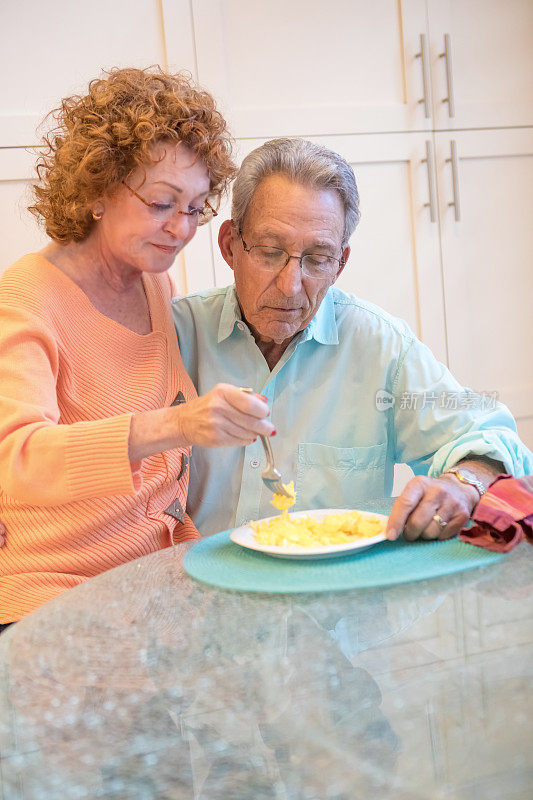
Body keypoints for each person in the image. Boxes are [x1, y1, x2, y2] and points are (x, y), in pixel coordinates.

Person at [0, 68, 273, 626]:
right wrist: (177, 425)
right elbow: (18, 458)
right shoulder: (27, 298)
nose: (181, 228)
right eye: (160, 203)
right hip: (56, 587)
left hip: (155, 574)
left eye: (195, 208)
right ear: (98, 189)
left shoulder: (153, 282)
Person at [172, 137, 533, 539]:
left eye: (317, 259)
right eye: (270, 251)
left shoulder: (381, 347)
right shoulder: (177, 335)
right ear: (230, 246)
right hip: (200, 589)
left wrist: (463, 485)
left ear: (340, 264)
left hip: (335, 595)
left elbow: (490, 438)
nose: (291, 285)